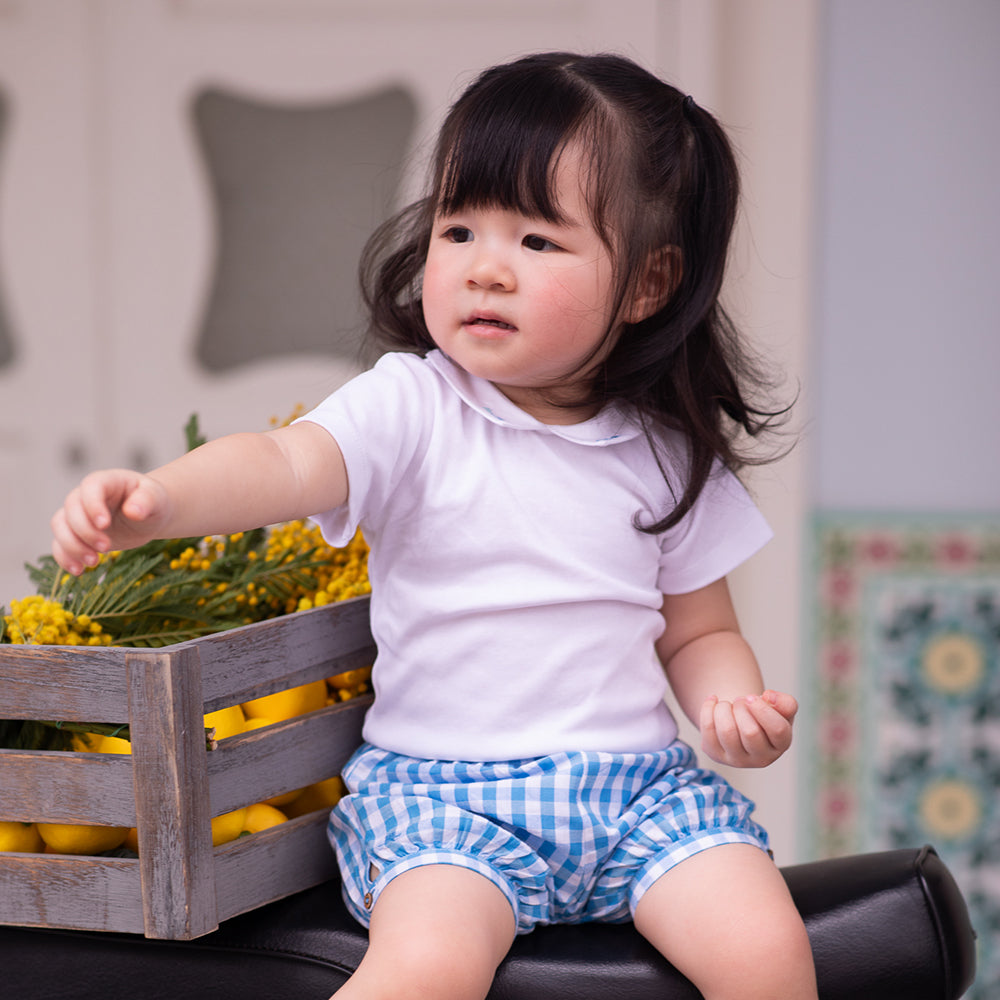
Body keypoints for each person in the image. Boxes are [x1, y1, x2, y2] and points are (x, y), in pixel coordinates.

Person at [51, 52, 817, 1000]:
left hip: (639, 797)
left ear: (649, 285)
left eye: (538, 242)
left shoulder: (662, 450)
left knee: (767, 953)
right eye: (460, 227)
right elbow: (285, 462)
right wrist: (163, 500)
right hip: (452, 803)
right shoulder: (415, 405)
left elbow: (700, 629)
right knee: (428, 967)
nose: (486, 267)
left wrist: (728, 709)